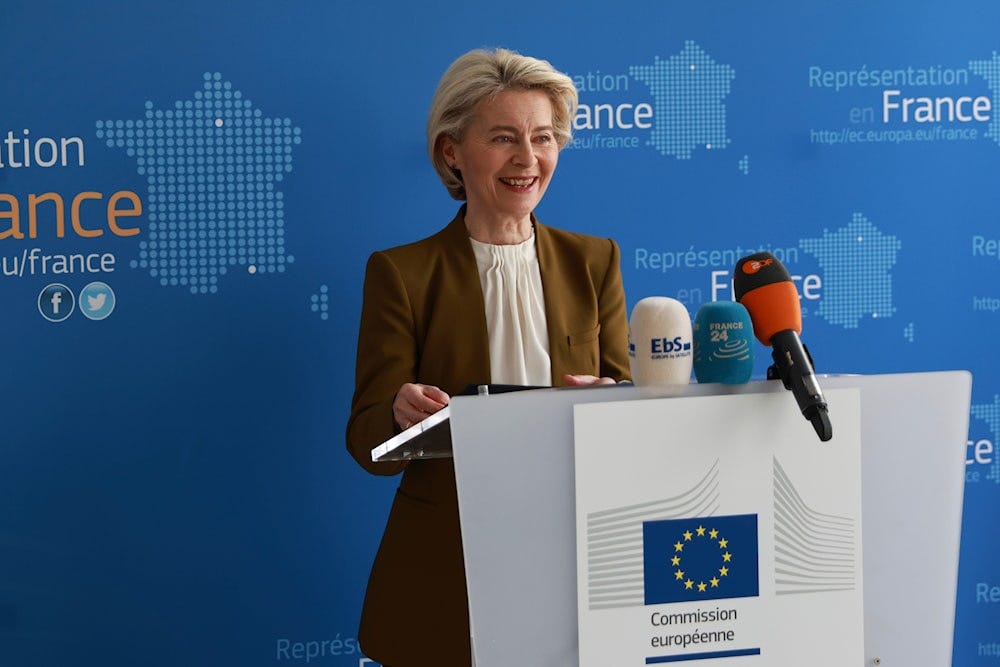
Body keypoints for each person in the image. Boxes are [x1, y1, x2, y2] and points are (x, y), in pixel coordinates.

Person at [346, 47, 630, 667]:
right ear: (452, 151)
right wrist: (399, 413)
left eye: (544, 137)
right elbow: (367, 444)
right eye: (504, 138)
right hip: (447, 569)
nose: (528, 159)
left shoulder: (595, 261)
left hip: (576, 561)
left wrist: (612, 403)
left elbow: (630, 415)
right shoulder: (402, 274)